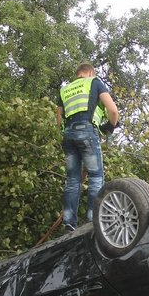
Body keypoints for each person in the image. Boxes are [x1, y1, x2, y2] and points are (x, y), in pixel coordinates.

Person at [56, 63, 119, 232]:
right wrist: (110, 127)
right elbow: (113, 111)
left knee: (72, 180)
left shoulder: (65, 89)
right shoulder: (95, 82)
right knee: (96, 176)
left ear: (78, 73)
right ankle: (93, 220)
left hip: (68, 136)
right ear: (90, 72)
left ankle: (69, 223)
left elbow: (59, 120)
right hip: (87, 133)